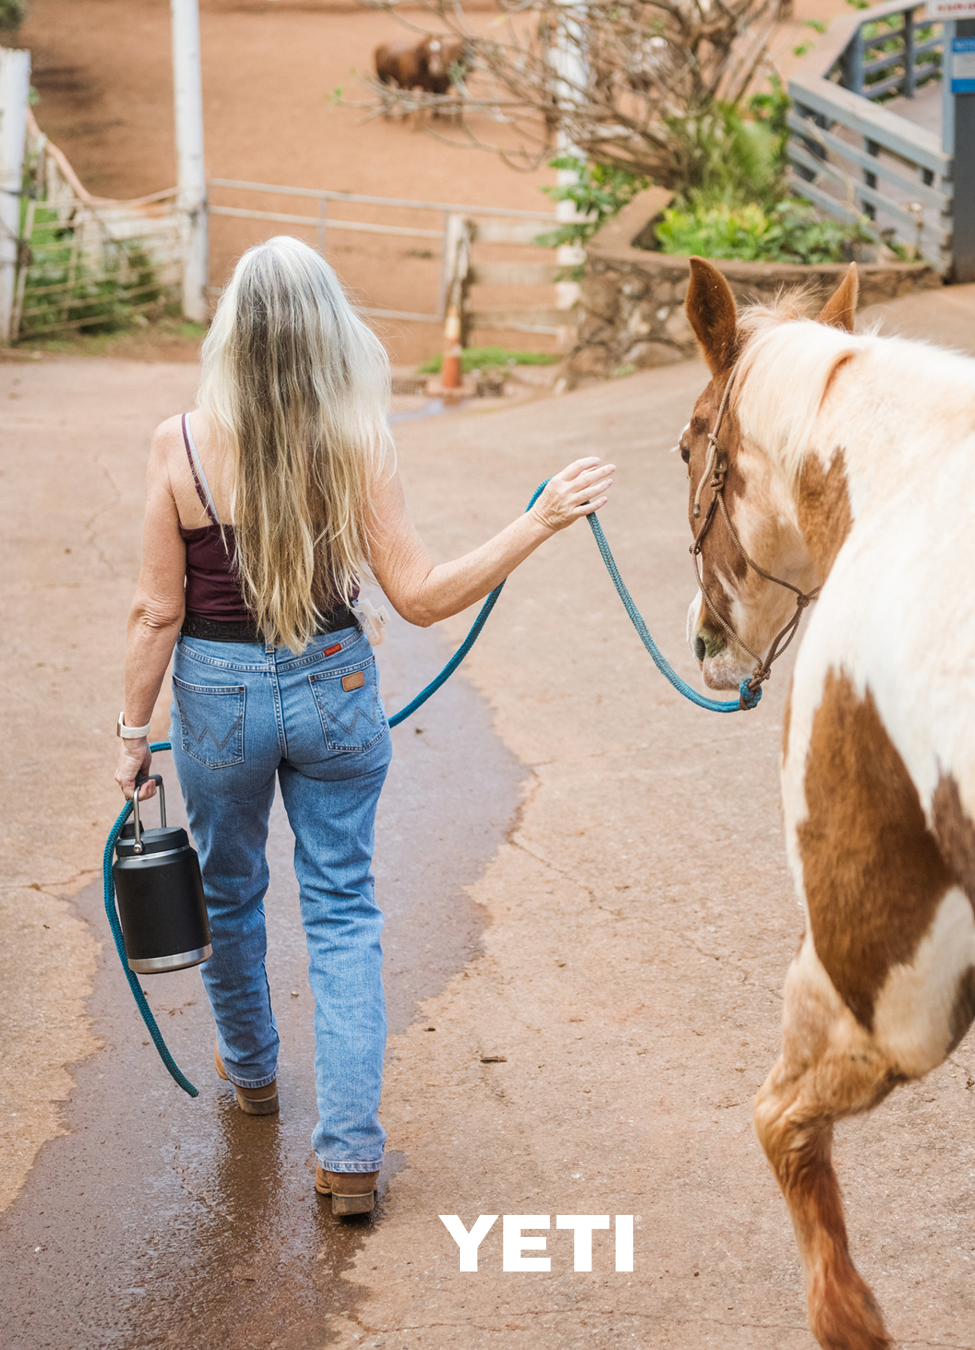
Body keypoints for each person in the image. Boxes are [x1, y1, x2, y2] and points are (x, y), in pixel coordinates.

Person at [113, 235, 615, 1216]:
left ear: (234, 335)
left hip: (216, 696)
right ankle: (348, 1155)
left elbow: (156, 614)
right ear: (327, 332)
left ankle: (254, 1076)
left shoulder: (179, 443)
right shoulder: (356, 439)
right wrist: (538, 521)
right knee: (342, 913)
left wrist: (131, 732)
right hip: (336, 684)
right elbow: (421, 598)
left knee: (228, 891)